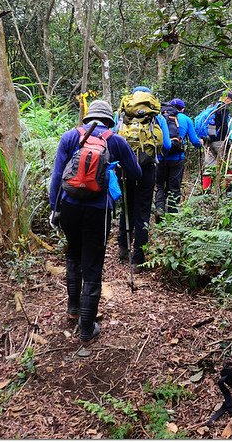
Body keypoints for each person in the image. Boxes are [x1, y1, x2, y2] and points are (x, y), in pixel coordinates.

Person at [49, 100, 141, 345]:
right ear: (109, 119)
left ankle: (73, 308)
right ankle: (87, 329)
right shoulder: (116, 140)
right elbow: (136, 174)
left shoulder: (69, 137)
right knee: (93, 263)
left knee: (73, 255)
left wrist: (54, 208)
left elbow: (58, 175)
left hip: (68, 206)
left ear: (87, 118)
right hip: (98, 211)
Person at [115, 86, 171, 266]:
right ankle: (138, 257)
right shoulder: (156, 116)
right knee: (143, 209)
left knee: (126, 205)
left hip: (125, 168)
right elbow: (167, 145)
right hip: (147, 167)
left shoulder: (124, 114)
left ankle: (123, 247)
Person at [155, 98, 202, 220]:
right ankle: (172, 216)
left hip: (160, 157)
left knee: (160, 185)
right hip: (177, 158)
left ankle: (159, 210)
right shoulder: (185, 119)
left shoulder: (160, 117)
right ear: (183, 109)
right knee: (174, 187)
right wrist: (201, 142)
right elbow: (195, 141)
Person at [200, 91, 232, 191]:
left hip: (209, 141)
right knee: (228, 165)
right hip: (221, 142)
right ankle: (228, 191)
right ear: (227, 99)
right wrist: (226, 141)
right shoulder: (223, 107)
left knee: (209, 166)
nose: (230, 103)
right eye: (230, 101)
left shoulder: (212, 107)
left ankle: (206, 191)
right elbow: (224, 126)